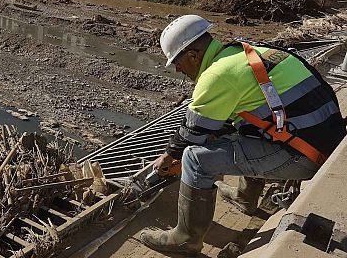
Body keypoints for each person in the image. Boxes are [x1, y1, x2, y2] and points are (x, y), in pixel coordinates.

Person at [139, 15, 346, 254]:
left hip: (306, 156)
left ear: (193, 55)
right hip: (325, 142)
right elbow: (226, 122)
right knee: (238, 130)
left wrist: (167, 157)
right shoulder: (248, 52)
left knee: (195, 160)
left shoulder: (217, 75)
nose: (177, 69)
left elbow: (192, 133)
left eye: (177, 62)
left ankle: (186, 239)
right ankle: (244, 198)